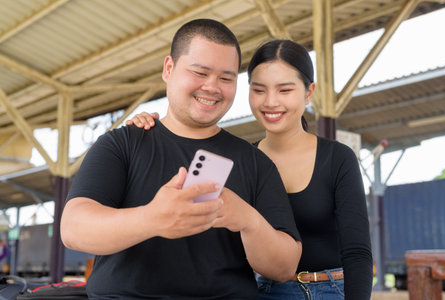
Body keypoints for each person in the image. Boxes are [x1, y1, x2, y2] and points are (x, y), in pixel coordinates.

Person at [61, 19, 302, 299]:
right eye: (200, 72)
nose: (212, 87)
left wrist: (247, 220)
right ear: (169, 69)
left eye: (226, 78)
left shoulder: (255, 162)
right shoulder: (122, 143)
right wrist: (152, 218)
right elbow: (73, 228)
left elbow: (285, 267)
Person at [128, 39, 373, 299]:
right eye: (259, 90)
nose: (270, 102)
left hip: (331, 290)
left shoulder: (337, 158)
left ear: (309, 92)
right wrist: (149, 130)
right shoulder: (240, 160)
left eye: (285, 90)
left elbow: (357, 253)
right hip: (262, 290)